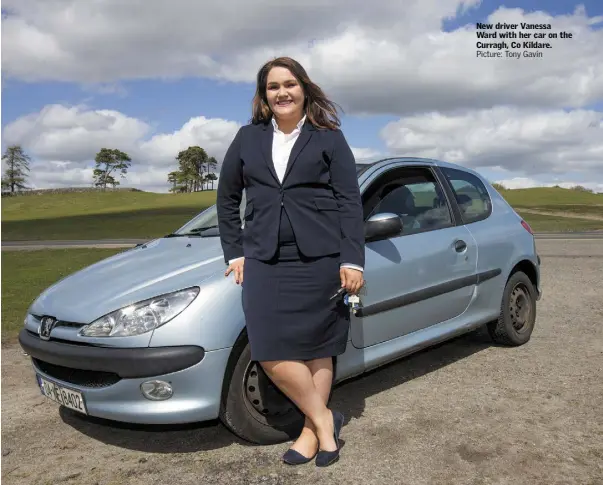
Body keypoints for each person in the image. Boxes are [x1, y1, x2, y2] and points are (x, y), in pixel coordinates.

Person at [216, 56, 365, 468]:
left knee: (318, 347)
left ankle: (308, 433)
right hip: (264, 258)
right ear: (264, 96)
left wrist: (353, 259)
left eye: (290, 84)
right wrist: (235, 250)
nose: (282, 92)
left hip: (320, 259)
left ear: (304, 89)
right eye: (272, 86)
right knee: (268, 349)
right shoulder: (247, 138)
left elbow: (349, 203)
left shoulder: (329, 138)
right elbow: (226, 198)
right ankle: (324, 418)